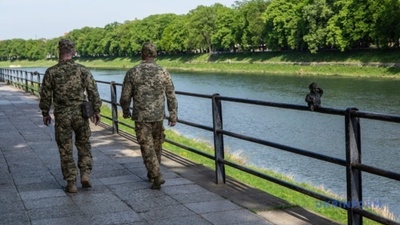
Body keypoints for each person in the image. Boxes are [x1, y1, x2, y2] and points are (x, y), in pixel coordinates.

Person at [39, 39, 102, 193]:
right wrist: (96, 110)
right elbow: (93, 91)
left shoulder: (51, 72)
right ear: (73, 51)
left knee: (65, 148)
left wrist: (45, 112)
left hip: (62, 115)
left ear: (59, 51)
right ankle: (85, 174)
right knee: (84, 145)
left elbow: (46, 95)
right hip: (81, 114)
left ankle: (71, 182)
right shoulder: (82, 70)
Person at [119, 42, 178, 189]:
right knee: (156, 145)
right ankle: (152, 174)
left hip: (141, 116)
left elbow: (125, 97)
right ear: (155, 54)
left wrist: (126, 111)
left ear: (142, 54)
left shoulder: (133, 72)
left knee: (146, 146)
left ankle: (156, 174)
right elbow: (171, 95)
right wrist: (173, 114)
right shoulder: (163, 72)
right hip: (158, 116)